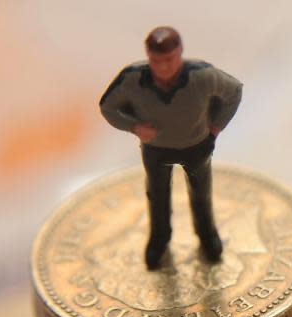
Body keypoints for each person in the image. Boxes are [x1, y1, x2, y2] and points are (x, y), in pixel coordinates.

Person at [100, 26, 243, 269]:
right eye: (156, 60)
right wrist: (134, 127)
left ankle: (207, 236)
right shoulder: (133, 79)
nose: (163, 66)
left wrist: (216, 127)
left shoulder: (202, 76)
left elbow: (233, 91)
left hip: (197, 146)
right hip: (156, 150)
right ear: (148, 56)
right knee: (157, 196)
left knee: (201, 194)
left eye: (169, 59)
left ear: (180, 53)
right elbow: (108, 107)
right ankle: (159, 240)